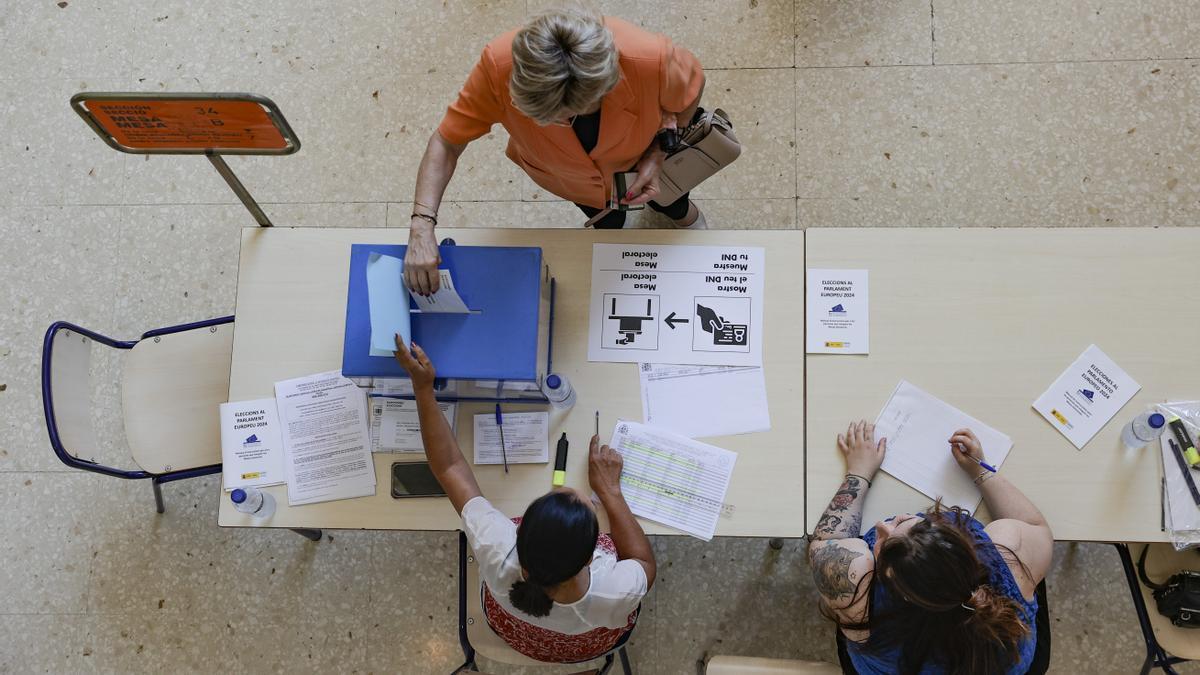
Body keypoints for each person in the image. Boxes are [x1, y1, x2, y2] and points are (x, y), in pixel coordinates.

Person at [404, 6, 707, 295]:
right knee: (607, 220)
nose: (563, 122)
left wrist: (657, 154)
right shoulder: (498, 65)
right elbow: (446, 142)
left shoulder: (651, 58)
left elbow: (690, 93)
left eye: (574, 112)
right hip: (568, 178)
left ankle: (686, 218)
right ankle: (612, 223)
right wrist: (421, 225)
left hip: (642, 155)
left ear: (607, 83)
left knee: (671, 199)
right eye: (550, 117)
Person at [392, 334, 656, 663]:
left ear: (518, 531)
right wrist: (610, 492)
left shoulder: (495, 546)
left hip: (513, 629)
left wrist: (422, 389)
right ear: (592, 557)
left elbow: (447, 467)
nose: (567, 489)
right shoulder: (613, 591)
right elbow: (645, 564)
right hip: (587, 641)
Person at [808, 421, 1054, 675]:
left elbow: (825, 542)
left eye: (884, 545)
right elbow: (1033, 525)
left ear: (894, 585)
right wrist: (981, 470)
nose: (882, 525)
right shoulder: (1009, 552)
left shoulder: (857, 580)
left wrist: (858, 473)